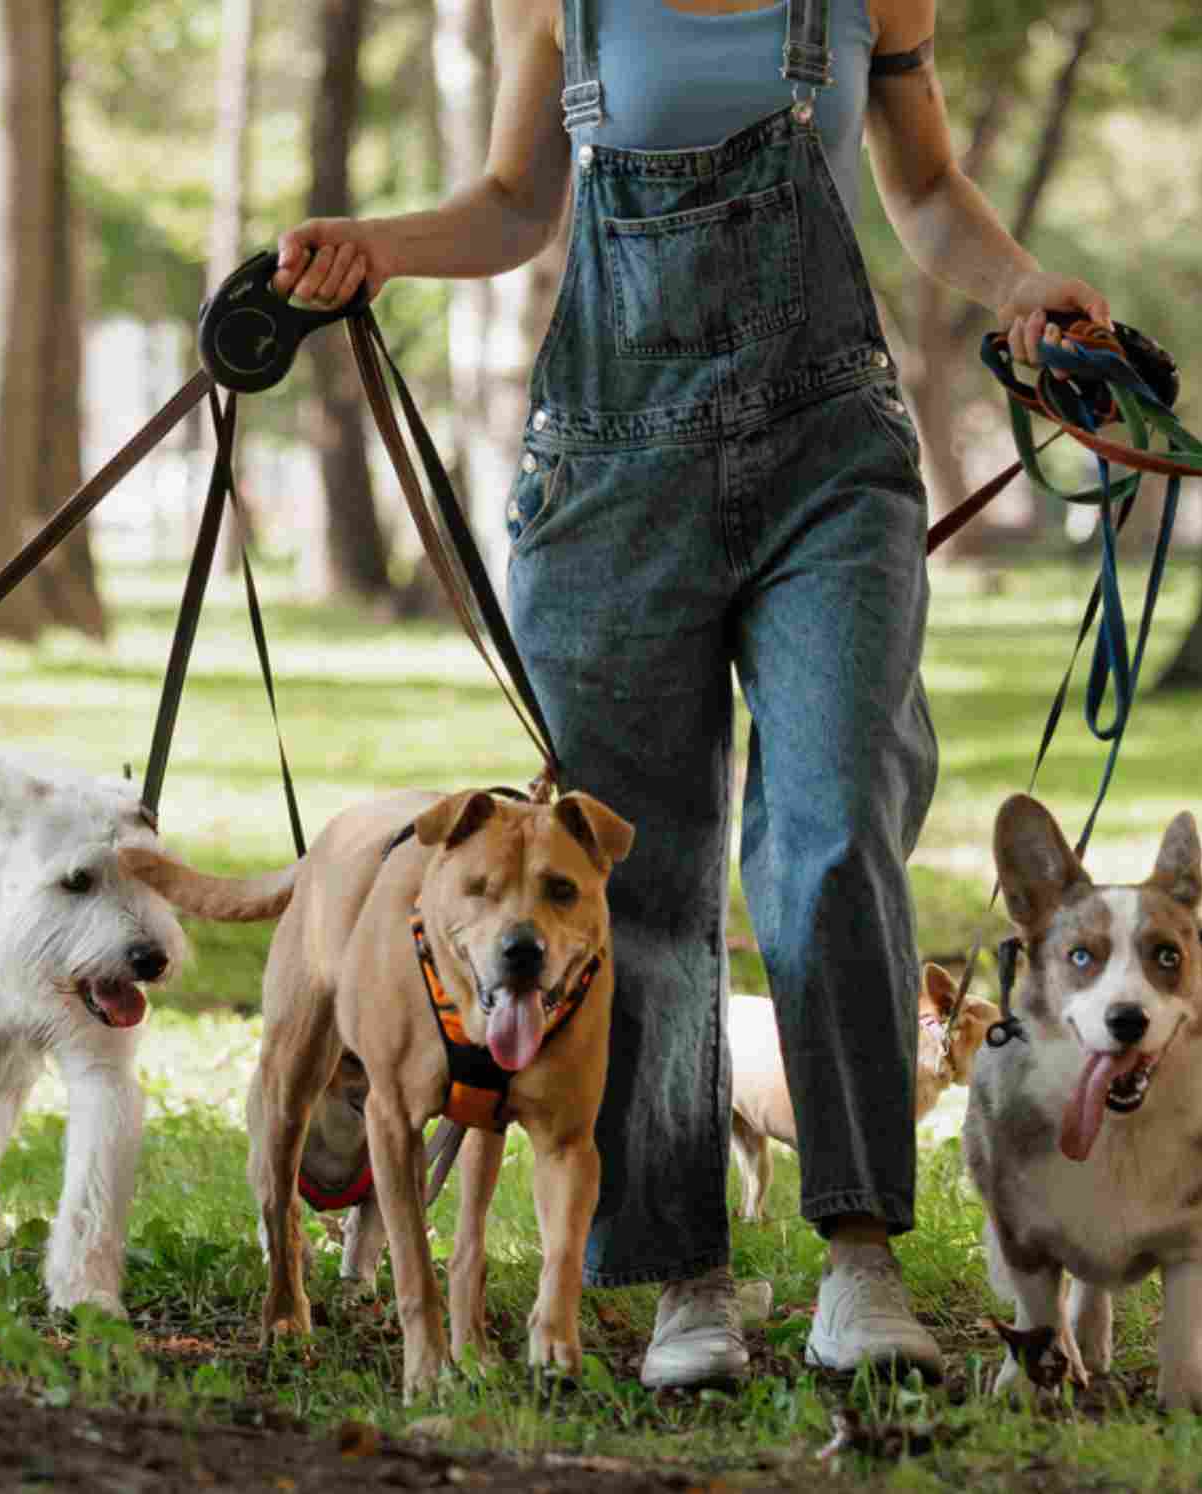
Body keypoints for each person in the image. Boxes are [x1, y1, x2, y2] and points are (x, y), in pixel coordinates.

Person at [272, 0, 1107, 1390]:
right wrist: (379, 248)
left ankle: (858, 1257)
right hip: (608, 482)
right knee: (636, 878)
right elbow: (509, 206)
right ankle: (683, 1283)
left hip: (831, 469)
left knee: (837, 821)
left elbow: (928, 193)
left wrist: (1024, 289)